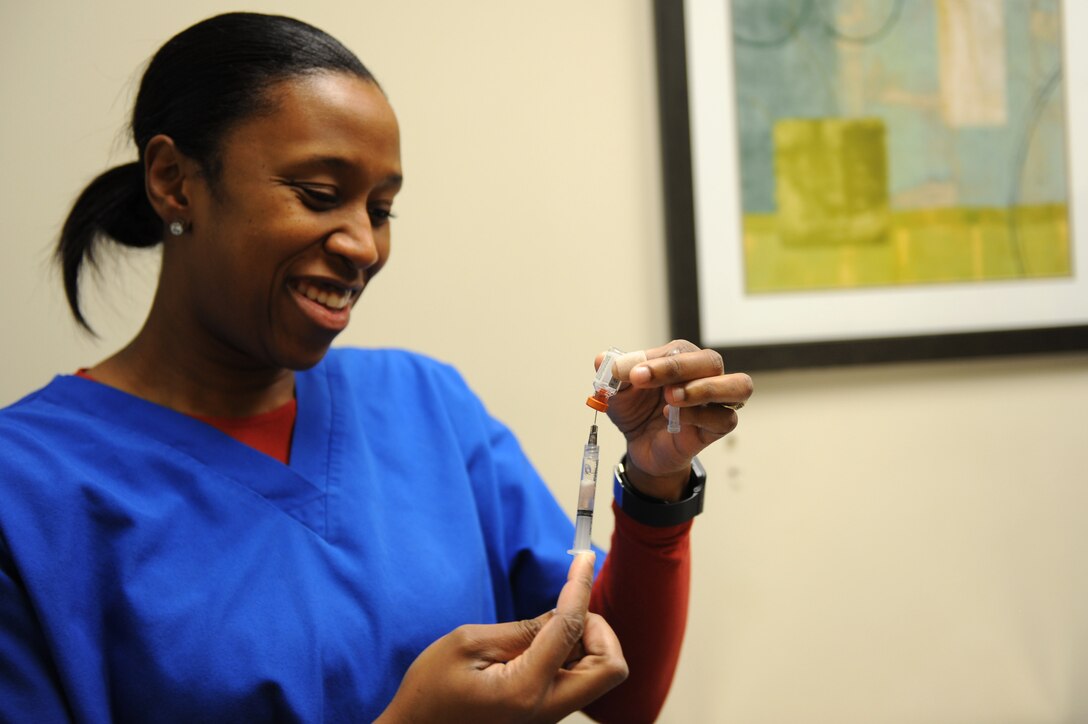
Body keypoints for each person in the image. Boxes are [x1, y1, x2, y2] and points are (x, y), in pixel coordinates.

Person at [0, 12, 753, 723]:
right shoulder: (26, 488)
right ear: (174, 180)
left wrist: (656, 488)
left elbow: (620, 693)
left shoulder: (425, 403)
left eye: (382, 209)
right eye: (319, 194)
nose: (363, 244)